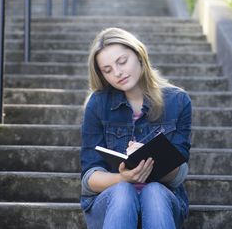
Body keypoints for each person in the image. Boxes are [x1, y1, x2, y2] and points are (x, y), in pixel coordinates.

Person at [80, 27, 192, 229]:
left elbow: (179, 174)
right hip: (111, 204)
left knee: (154, 191)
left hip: (163, 203)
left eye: (122, 61)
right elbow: (89, 179)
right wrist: (123, 177)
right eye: (107, 70)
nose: (118, 72)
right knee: (124, 190)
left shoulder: (178, 101)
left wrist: (148, 162)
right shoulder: (97, 105)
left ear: (139, 55)